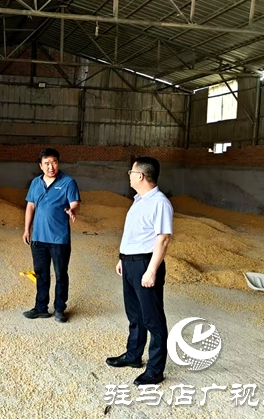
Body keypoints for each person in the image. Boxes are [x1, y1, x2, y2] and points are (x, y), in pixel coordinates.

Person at [106, 156, 173, 386]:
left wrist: (152, 270)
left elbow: (163, 239)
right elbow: (134, 234)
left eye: (131, 172)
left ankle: (155, 370)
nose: (129, 175)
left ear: (141, 176)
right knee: (134, 314)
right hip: (130, 263)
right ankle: (133, 355)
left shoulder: (159, 203)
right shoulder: (139, 200)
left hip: (145, 264)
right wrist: (122, 258)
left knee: (152, 319)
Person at [22, 148, 80, 323]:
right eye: (46, 163)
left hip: (59, 239)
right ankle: (41, 308)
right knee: (41, 274)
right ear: (40, 166)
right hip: (38, 238)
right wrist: (27, 229)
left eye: (54, 162)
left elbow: (75, 202)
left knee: (61, 274)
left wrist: (72, 210)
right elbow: (30, 206)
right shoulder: (35, 183)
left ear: (58, 163)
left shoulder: (68, 182)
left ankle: (60, 309)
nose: (51, 167)